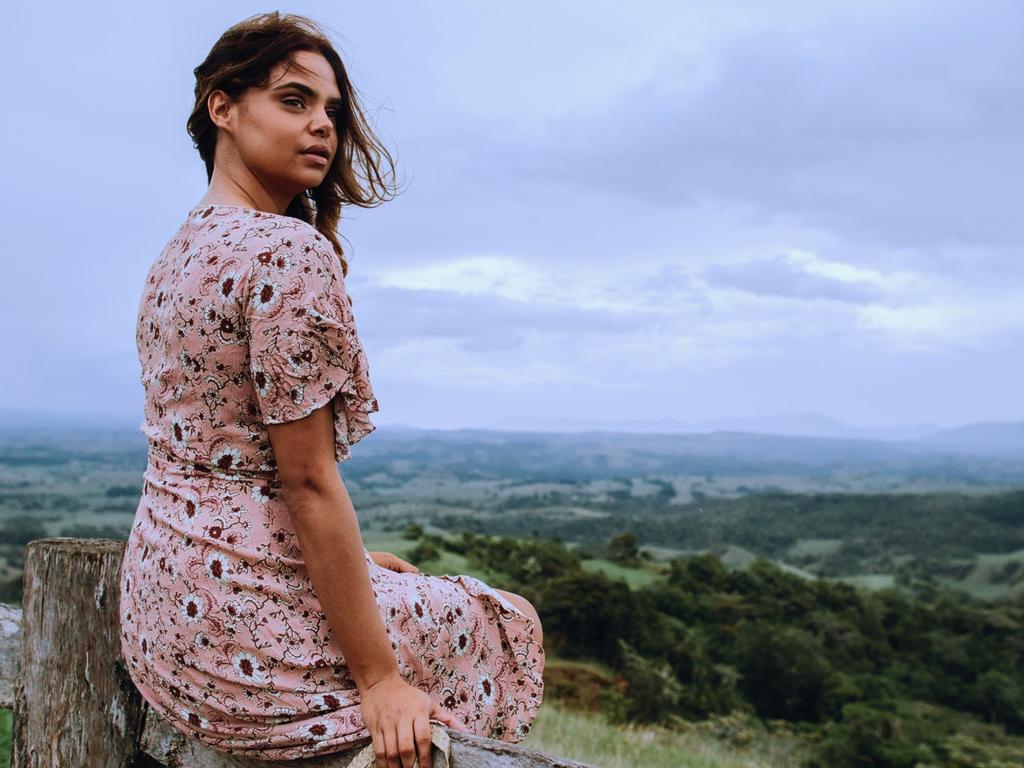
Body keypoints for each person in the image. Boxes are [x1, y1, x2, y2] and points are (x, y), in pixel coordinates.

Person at [117, 12, 545, 767]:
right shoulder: (287, 250)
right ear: (223, 107)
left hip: (161, 624)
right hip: (241, 632)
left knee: (406, 583)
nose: (322, 125)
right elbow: (307, 481)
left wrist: (351, 563)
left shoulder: (176, 253)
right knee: (499, 619)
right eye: (294, 100)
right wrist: (379, 679)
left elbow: (220, 465)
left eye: (332, 112)